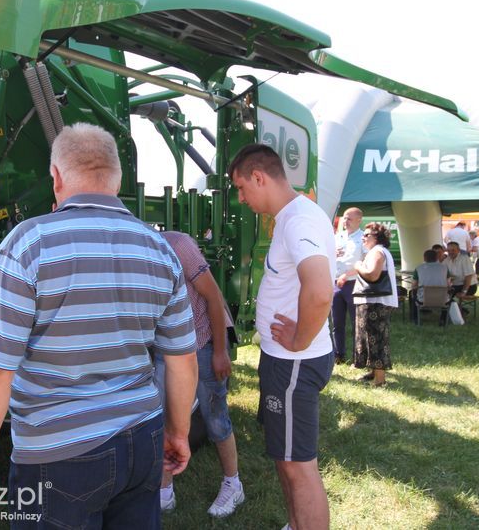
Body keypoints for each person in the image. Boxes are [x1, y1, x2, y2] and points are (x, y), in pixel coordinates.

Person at [0, 123, 198, 528]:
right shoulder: (160, 249)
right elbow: (183, 360)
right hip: (143, 440)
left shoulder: (29, 243)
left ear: (56, 177)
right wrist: (178, 432)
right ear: (117, 179)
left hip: (58, 455)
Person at [229, 144, 335, 530]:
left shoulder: (298, 221)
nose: (241, 199)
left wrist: (299, 340)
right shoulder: (295, 215)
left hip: (294, 363)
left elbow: (321, 290)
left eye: (242, 188)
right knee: (287, 459)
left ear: (259, 177)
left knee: (298, 468)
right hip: (287, 362)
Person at [154, 231, 243, 517]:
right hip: (166, 348)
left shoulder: (178, 245)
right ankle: (164, 491)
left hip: (202, 341)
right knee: (161, 417)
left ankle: (233, 484)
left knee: (215, 417)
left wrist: (219, 351)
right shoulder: (127, 257)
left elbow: (214, 296)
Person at [353, 223, 398, 386]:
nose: (363, 238)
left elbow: (372, 275)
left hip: (375, 302)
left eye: (367, 235)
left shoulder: (377, 251)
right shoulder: (378, 251)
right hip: (375, 301)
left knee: (375, 340)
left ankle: (380, 380)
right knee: (370, 338)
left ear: (377, 237)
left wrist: (358, 266)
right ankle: (374, 372)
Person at [332, 207, 364, 364]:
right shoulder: (338, 237)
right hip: (336, 282)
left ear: (359, 220)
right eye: (344, 218)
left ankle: (358, 356)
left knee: (356, 322)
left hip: (353, 283)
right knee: (337, 321)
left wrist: (348, 274)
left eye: (349, 218)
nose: (346, 221)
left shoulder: (363, 238)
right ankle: (338, 354)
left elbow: (363, 262)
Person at [411, 249, 451, 323]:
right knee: (449, 299)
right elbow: (449, 284)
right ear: (437, 258)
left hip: (423, 300)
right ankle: (443, 320)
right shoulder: (445, 268)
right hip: (442, 299)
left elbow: (414, 285)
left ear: (424, 258)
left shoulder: (419, 268)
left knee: (412, 294)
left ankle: (415, 318)